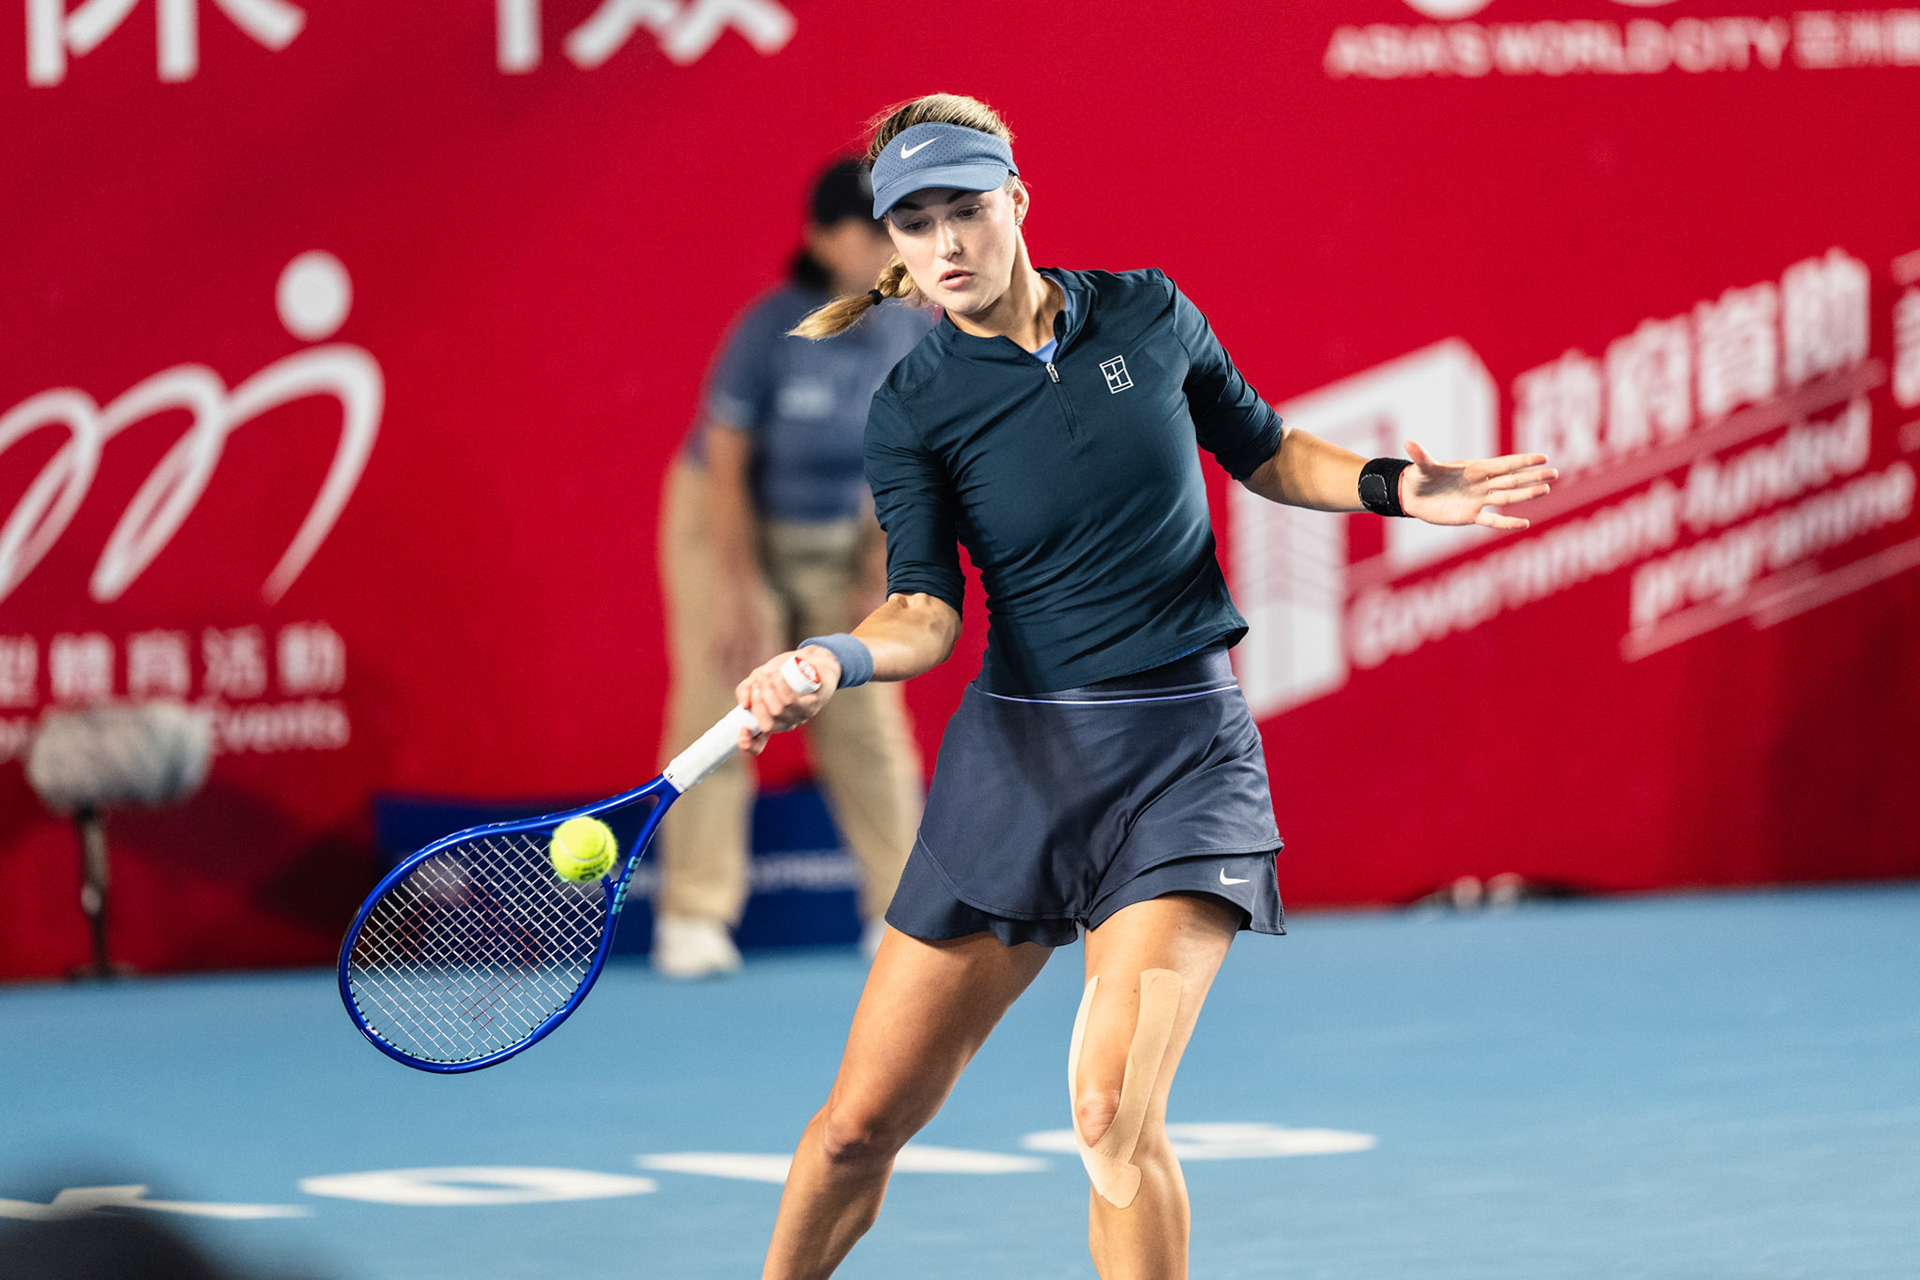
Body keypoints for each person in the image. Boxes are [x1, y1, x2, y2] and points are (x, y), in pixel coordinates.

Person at [732, 94, 1557, 1279]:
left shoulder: (1150, 311)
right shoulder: (913, 407)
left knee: (1110, 1108)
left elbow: (1266, 448)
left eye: (966, 209)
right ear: (893, 247)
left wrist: (1391, 486)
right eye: (915, 224)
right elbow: (922, 606)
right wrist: (833, 657)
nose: (947, 244)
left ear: (1017, 200)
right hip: (1016, 772)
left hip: (1180, 766)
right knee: (858, 1128)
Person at [653, 159, 933, 978]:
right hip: (727, 525)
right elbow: (727, 473)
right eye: (874, 229)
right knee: (727, 697)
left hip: (840, 532)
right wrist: (739, 594)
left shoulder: (916, 330)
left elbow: (911, 459)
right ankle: (694, 917)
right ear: (822, 240)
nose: (894, 245)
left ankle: (903, 914)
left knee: (863, 711)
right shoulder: (769, 330)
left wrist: (877, 565)